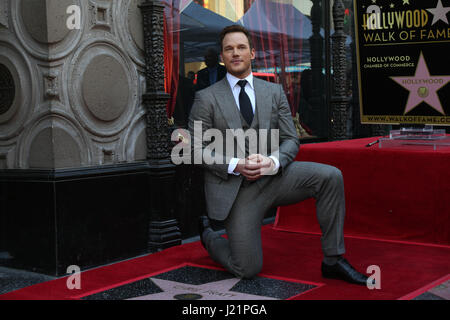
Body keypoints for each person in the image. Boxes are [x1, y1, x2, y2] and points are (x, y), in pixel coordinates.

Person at [188, 25, 371, 285]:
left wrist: (273, 161)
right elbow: (194, 149)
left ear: (252, 53)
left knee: (331, 176)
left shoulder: (273, 92)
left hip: (274, 178)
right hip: (236, 190)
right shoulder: (205, 98)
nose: (235, 53)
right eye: (229, 49)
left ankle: (333, 259)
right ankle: (210, 238)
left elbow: (290, 139)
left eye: (241, 47)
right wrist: (234, 164)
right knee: (247, 268)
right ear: (222, 56)